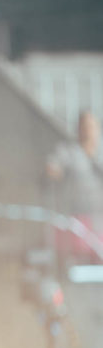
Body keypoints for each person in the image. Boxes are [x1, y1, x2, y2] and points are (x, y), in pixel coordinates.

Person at [47, 110, 103, 261]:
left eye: (92, 127)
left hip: (99, 220)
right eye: (85, 126)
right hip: (76, 219)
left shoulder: (100, 154)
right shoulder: (68, 151)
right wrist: (55, 172)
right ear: (78, 129)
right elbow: (52, 168)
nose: (88, 131)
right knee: (78, 260)